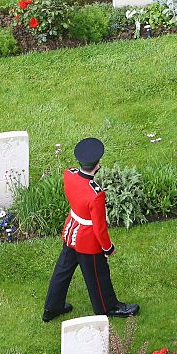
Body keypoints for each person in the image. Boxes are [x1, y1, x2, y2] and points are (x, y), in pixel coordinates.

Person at [43, 138, 139, 321]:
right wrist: (107, 247)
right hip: (87, 241)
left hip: (71, 231)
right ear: (98, 165)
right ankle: (107, 306)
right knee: (98, 275)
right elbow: (99, 228)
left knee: (62, 271)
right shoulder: (96, 194)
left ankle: (52, 307)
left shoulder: (69, 174)